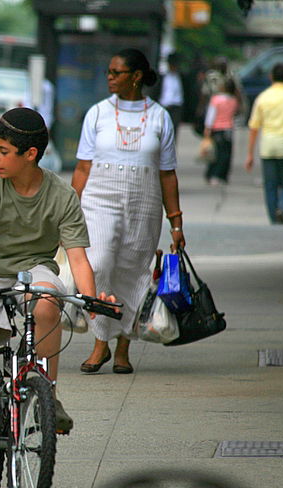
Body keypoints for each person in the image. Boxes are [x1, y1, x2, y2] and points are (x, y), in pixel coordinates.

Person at [0, 107, 113, 441]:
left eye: (3, 151)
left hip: (33, 269)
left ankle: (46, 390)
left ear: (30, 154)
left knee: (49, 301)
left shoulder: (61, 194)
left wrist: (92, 298)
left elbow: (78, 257)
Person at [72, 48, 185, 375]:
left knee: (134, 269)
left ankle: (123, 346)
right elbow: (82, 167)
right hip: (99, 198)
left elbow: (167, 173)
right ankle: (99, 342)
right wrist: (68, 208)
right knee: (100, 263)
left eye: (116, 72)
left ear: (136, 77)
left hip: (143, 202)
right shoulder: (96, 113)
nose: (109, 77)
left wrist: (176, 223)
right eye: (108, 71)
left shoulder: (160, 116)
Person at [245, 62, 283, 225]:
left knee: (270, 185)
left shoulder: (263, 97)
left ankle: (274, 219)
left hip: (268, 147)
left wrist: (250, 154)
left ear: (271, 77)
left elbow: (254, 126)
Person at [204, 78, 240, 186]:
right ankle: (223, 175)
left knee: (216, 153)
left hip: (217, 128)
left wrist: (207, 129)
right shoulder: (234, 100)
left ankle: (213, 174)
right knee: (226, 153)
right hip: (228, 128)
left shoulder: (216, 100)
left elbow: (211, 115)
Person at [159, 52, 184, 141]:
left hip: (176, 106)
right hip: (164, 106)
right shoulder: (163, 77)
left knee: (173, 131)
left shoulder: (181, 77)